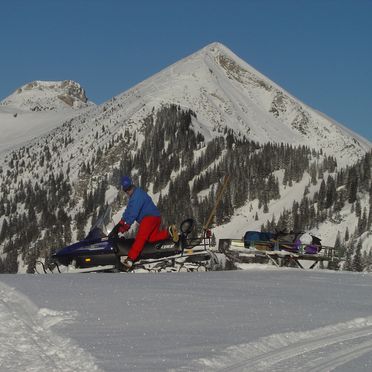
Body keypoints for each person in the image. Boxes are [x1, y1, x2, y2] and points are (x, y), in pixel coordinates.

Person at [116, 176, 178, 271]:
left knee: (141, 237)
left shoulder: (137, 195)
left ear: (132, 186)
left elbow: (133, 213)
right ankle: (168, 232)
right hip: (155, 217)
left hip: (149, 217)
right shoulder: (133, 197)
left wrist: (127, 225)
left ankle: (130, 260)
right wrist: (121, 222)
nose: (127, 192)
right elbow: (128, 210)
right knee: (152, 238)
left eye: (128, 189)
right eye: (125, 190)